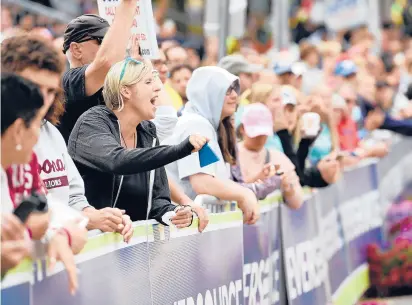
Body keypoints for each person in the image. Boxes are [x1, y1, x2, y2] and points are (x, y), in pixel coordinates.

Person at [1, 35, 134, 242]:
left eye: (51, 91)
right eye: (34, 87)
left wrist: (96, 217)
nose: (42, 99)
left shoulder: (50, 133)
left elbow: (63, 200)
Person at [68, 58, 208, 226]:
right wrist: (181, 149)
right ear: (126, 91)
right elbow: (118, 161)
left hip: (132, 248)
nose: (158, 87)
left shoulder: (147, 131)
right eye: (148, 82)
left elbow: (158, 200)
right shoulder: (92, 122)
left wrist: (173, 213)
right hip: (89, 245)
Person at [1, 73, 84, 294]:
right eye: (37, 125)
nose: (40, 138)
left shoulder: (22, 162)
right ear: (19, 130)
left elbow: (64, 218)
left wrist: (56, 233)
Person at [164, 66, 260, 224]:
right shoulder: (195, 125)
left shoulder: (204, 125)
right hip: (174, 225)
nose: (235, 95)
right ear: (208, 94)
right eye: (227, 90)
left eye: (235, 90)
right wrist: (244, 194)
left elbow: (210, 176)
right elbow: (203, 182)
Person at [61, 0, 138, 142]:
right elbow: (107, 62)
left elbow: (165, 119)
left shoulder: (111, 84)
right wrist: (128, 5)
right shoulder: (68, 82)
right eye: (102, 41)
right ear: (76, 50)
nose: (110, 46)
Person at [234, 103, 304, 207]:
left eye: (264, 134)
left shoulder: (278, 158)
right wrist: (257, 180)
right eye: (256, 134)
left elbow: (297, 202)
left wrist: (287, 187)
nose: (260, 138)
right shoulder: (230, 156)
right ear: (242, 129)